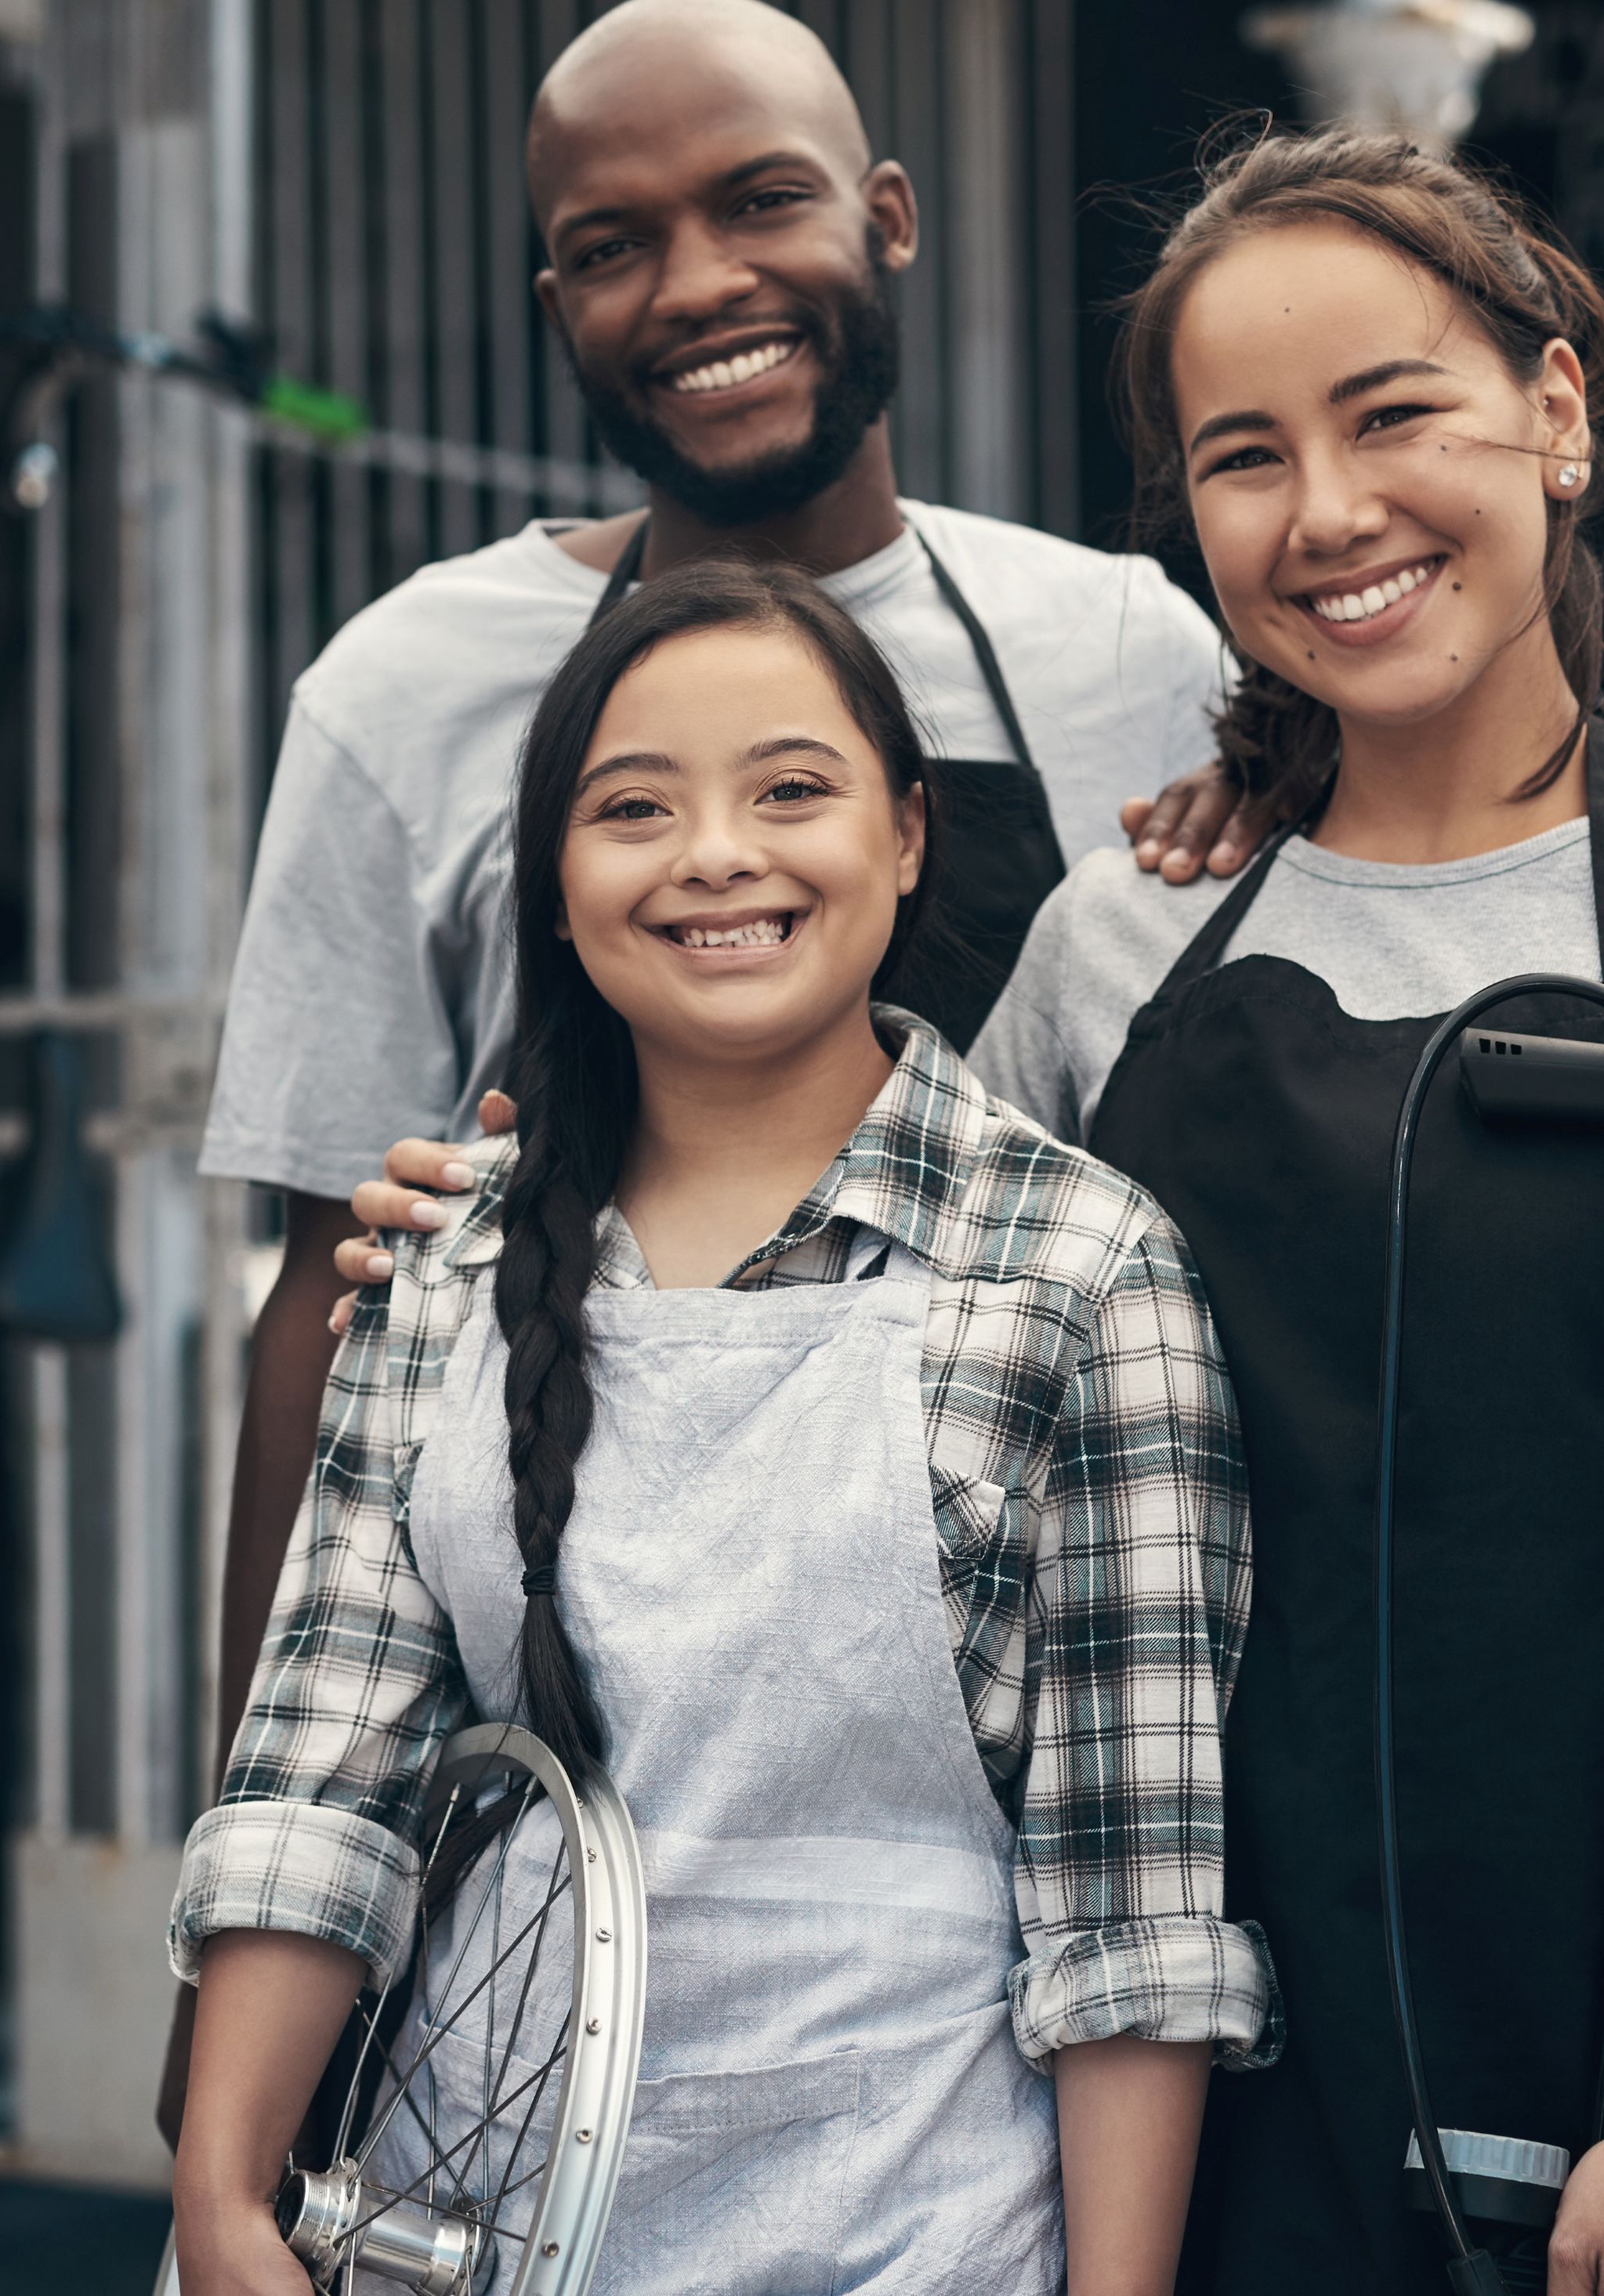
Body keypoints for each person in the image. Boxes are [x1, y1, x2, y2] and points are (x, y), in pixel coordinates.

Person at [350, 128, 1604, 2294]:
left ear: (1558, 412)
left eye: (1391, 413)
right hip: (1151, 2098)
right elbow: (814, 1320)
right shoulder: (1116, 945)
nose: (1325, 513)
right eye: (1242, 457)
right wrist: (497, 1220)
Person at [173, 0, 1269, 2135]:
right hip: (573, 1805)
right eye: (610, 240)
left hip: (1032, 1760)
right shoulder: (404, 692)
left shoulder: (1130, 654)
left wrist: (1273, 779)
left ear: (885, 216)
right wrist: (254, 1989)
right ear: (554, 298)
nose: (695, 284)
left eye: (758, 200)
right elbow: (323, 1323)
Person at [168, 560, 1269, 2296]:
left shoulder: (1087, 1273)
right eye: (633, 808)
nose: (716, 856)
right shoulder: (445, 1270)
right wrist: (223, 2198)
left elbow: (1129, 1904)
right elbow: (322, 1778)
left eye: (791, 791)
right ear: (554, 878)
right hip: (469, 2224)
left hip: (916, 2230)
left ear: (908, 837)